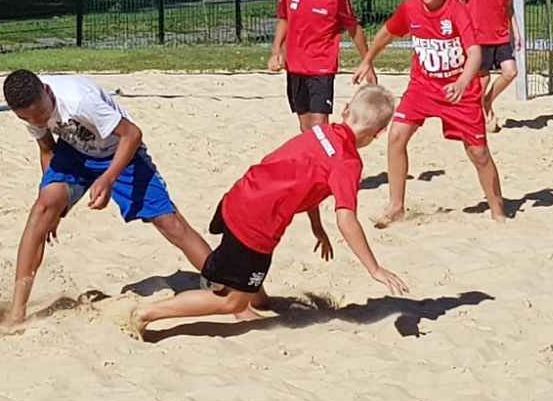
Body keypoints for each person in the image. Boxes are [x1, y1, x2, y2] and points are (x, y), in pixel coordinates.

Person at [131, 85, 409, 339]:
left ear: (346, 110)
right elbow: (346, 219)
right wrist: (374, 268)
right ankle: (147, 314)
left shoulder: (321, 131)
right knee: (232, 302)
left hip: (239, 197)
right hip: (256, 224)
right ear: (379, 132)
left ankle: (254, 297)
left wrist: (316, 226)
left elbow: (306, 182)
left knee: (253, 285)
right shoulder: (348, 162)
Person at [0, 69, 217, 325]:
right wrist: (55, 208)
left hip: (120, 151)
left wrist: (107, 178)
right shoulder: (30, 107)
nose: (36, 121)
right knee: (41, 212)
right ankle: (17, 312)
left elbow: (132, 134)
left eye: (39, 114)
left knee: (169, 223)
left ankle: (227, 288)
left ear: (47, 91)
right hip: (75, 152)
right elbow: (47, 150)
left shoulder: (80, 100)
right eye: (26, 118)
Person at [353, 0, 506, 226]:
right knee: (396, 135)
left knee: (478, 153)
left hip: (459, 92)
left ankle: (498, 211)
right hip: (422, 88)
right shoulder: (410, 8)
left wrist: (462, 81)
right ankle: (395, 206)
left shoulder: (456, 10)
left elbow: (475, 53)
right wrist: (367, 60)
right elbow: (387, 32)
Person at [268, 0, 376, 134]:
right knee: (305, 125)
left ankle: (325, 155)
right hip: (295, 66)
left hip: (321, 67)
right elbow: (284, 19)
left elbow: (354, 28)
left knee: (319, 124)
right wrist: (276, 52)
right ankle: (313, 154)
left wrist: (367, 62)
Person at [454, 0, 522, 133]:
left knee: (511, 72)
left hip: (500, 34)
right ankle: (476, 115)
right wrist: (457, 23)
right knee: (483, 77)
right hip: (478, 35)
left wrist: (516, 32)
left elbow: (508, 6)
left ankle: (486, 101)